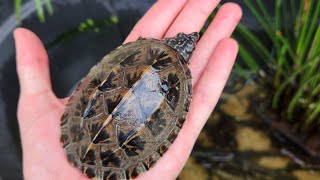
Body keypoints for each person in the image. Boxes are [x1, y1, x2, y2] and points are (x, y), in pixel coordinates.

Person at [14, 0, 242, 179]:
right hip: (111, 149)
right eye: (187, 40)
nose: (191, 38)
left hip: (87, 134)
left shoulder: (146, 49)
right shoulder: (181, 83)